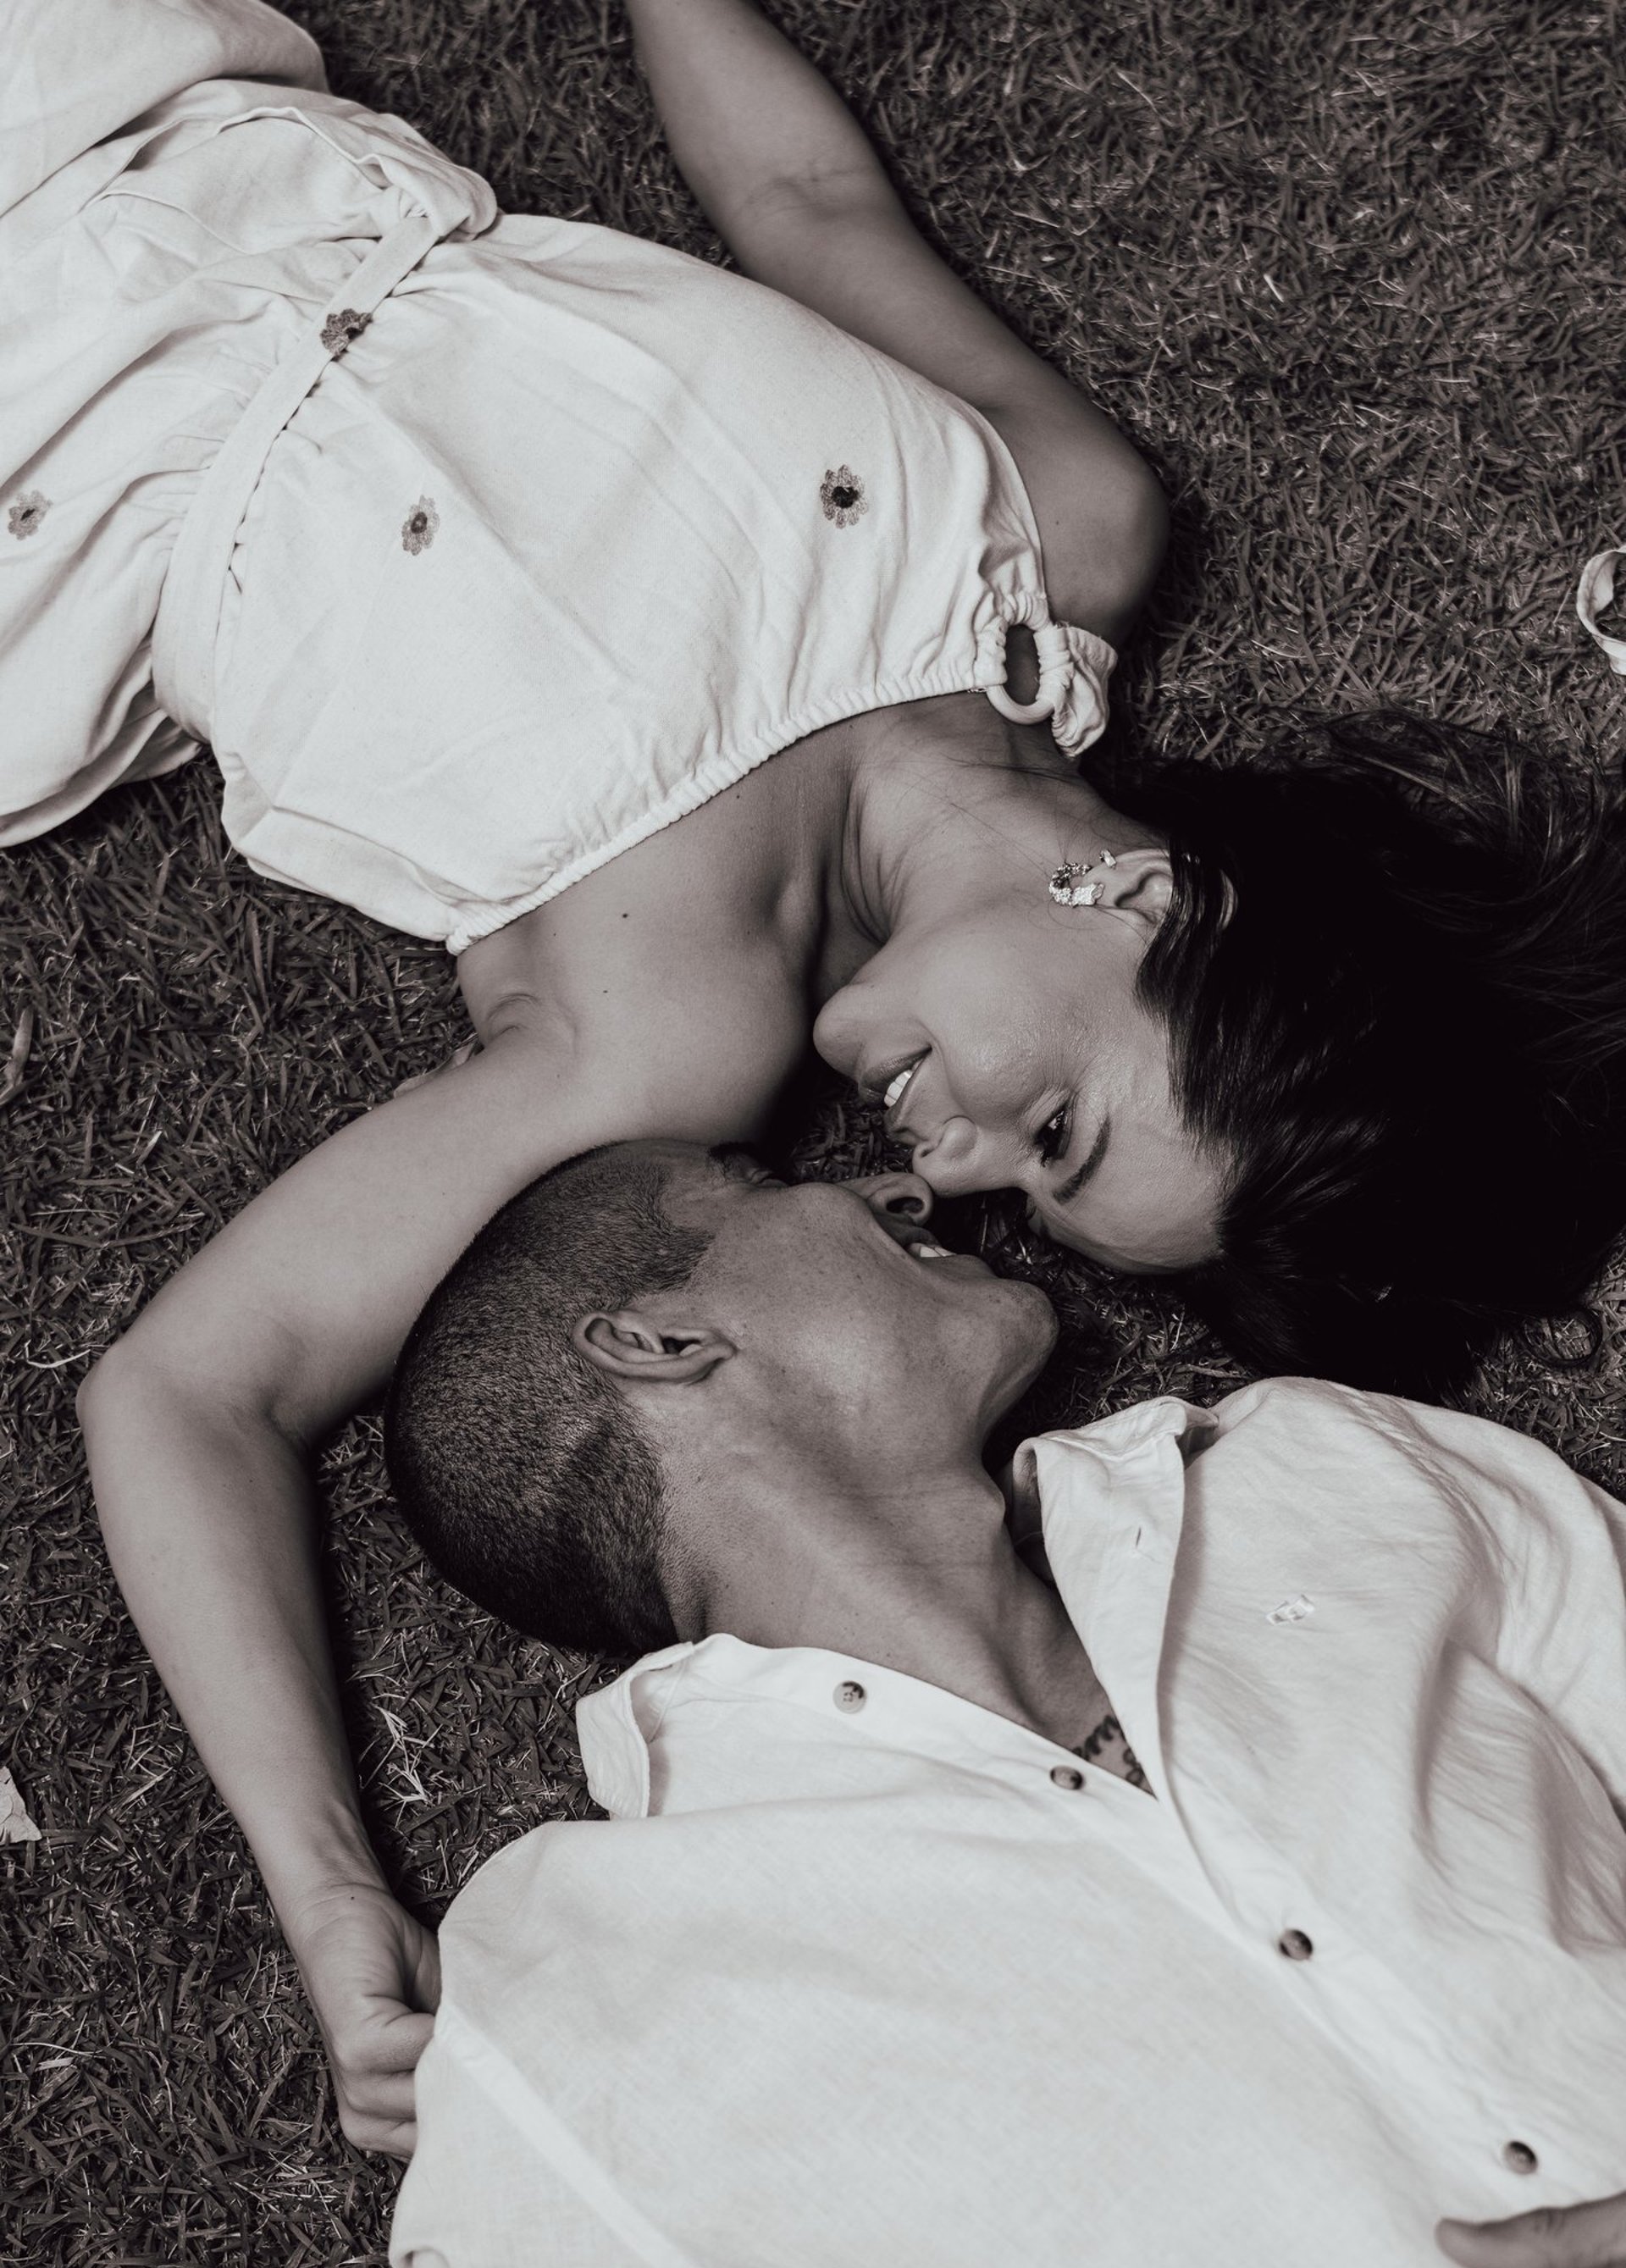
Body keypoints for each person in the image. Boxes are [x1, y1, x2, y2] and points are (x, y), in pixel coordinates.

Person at [11, 0, 1622, 2149]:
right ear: (1169, 905)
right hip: (146, 98)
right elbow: (804, 201)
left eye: (1015, 1201)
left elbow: (190, 1390)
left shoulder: (662, 1024)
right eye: (1052, 1135)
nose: (939, 1170)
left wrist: (327, 1895)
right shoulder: (1056, 534)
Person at [384, 1137, 1626, 2268]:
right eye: (765, 1189)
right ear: (660, 1342)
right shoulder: (577, 1991)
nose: (902, 1189)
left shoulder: (1319, 1477)